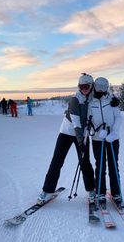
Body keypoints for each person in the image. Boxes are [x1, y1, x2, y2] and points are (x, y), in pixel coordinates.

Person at [37, 73, 95, 204]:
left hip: (83, 134)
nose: (84, 88)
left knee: (85, 163)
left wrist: (115, 103)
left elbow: (105, 98)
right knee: (57, 161)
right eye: (81, 86)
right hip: (67, 132)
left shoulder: (93, 99)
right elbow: (76, 123)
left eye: (87, 86)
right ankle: (47, 191)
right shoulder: (75, 100)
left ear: (91, 86)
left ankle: (92, 190)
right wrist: (80, 142)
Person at [88, 77, 122, 207]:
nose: (101, 90)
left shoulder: (111, 100)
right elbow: (89, 121)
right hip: (98, 139)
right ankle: (100, 192)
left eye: (104, 87)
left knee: (113, 165)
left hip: (113, 138)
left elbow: (118, 117)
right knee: (100, 165)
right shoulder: (91, 102)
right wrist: (97, 132)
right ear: (95, 87)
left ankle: (116, 192)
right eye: (99, 87)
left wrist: (114, 132)